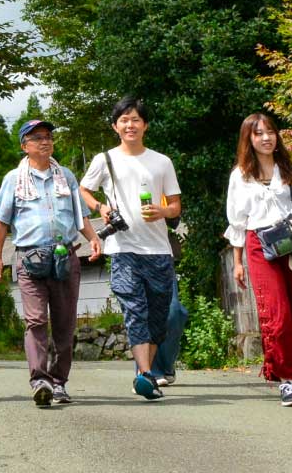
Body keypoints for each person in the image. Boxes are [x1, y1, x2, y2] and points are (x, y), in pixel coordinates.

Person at [0, 119, 103, 407]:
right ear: (24, 145)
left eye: (49, 137)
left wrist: (93, 239)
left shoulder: (65, 176)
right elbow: (1, 222)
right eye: (37, 137)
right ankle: (40, 380)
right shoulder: (13, 179)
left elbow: (80, 217)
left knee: (65, 324)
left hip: (65, 256)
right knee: (36, 320)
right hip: (30, 258)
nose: (45, 141)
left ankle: (58, 382)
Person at [78, 96, 182, 401]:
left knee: (160, 316)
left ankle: (144, 370)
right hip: (122, 249)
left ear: (145, 125)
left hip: (158, 251)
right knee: (135, 310)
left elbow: (175, 206)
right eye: (124, 120)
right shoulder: (104, 159)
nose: (130, 124)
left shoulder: (161, 161)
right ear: (115, 126)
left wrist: (162, 212)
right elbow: (83, 188)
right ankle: (146, 374)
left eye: (136, 119)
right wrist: (100, 207)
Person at [225, 112, 292, 406]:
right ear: (249, 139)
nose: (266, 138)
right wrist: (237, 262)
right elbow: (238, 221)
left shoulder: (290, 172)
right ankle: (286, 380)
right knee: (277, 313)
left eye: (270, 131)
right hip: (259, 245)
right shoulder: (240, 177)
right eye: (258, 133)